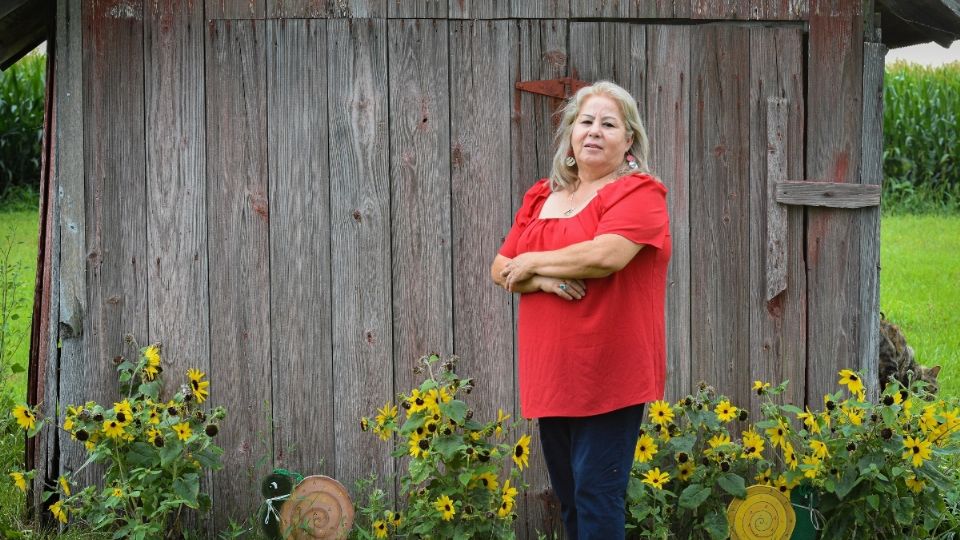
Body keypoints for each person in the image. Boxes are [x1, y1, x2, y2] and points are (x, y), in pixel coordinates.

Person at [490, 80, 670, 539]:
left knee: (596, 495)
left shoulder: (639, 194)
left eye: (609, 124)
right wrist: (543, 278)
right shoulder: (540, 197)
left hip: (609, 373)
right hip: (553, 374)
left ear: (629, 140)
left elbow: (605, 256)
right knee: (570, 497)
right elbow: (499, 267)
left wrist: (529, 263)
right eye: (585, 121)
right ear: (571, 133)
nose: (594, 131)